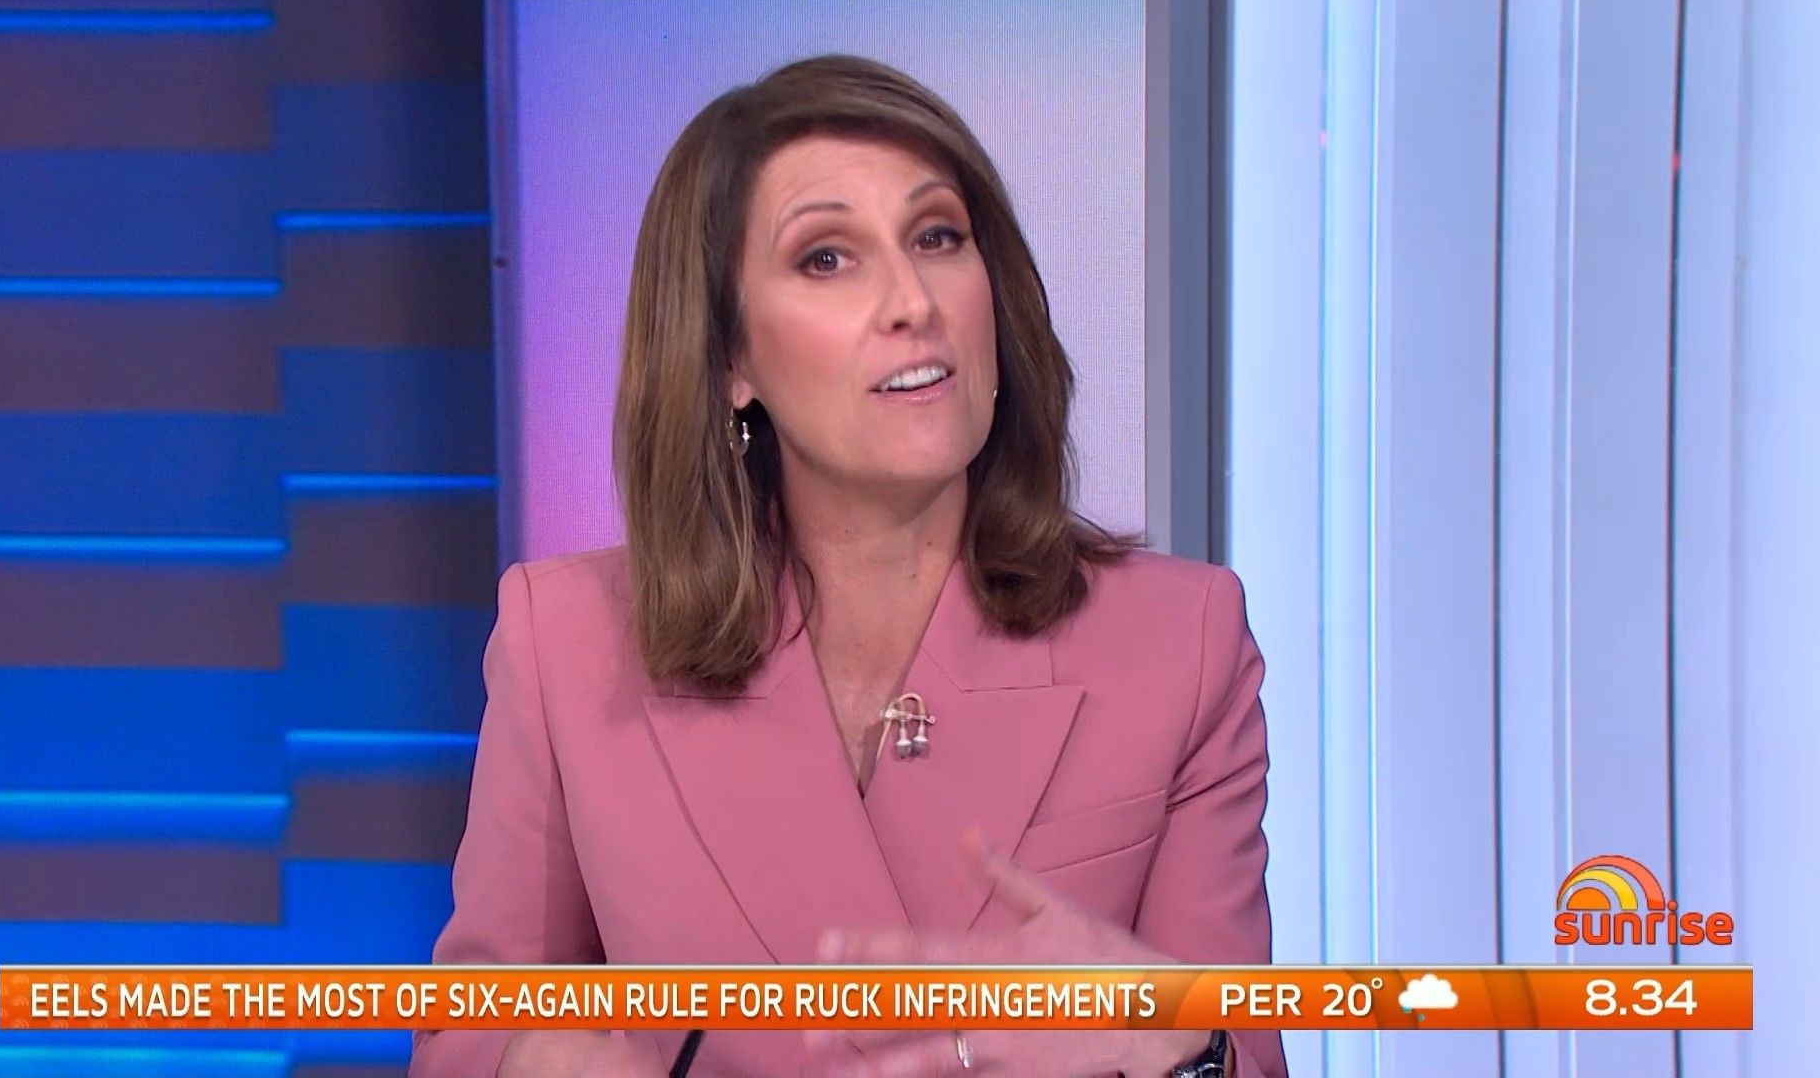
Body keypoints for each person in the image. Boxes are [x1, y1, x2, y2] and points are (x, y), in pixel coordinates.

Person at [412, 54, 1284, 1078]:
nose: (912, 300)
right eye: (826, 258)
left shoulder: (1181, 645)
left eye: (937, 237)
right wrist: (542, 1062)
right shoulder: (564, 644)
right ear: (730, 359)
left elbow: (1243, 1060)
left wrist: (1175, 1040)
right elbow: (470, 1033)